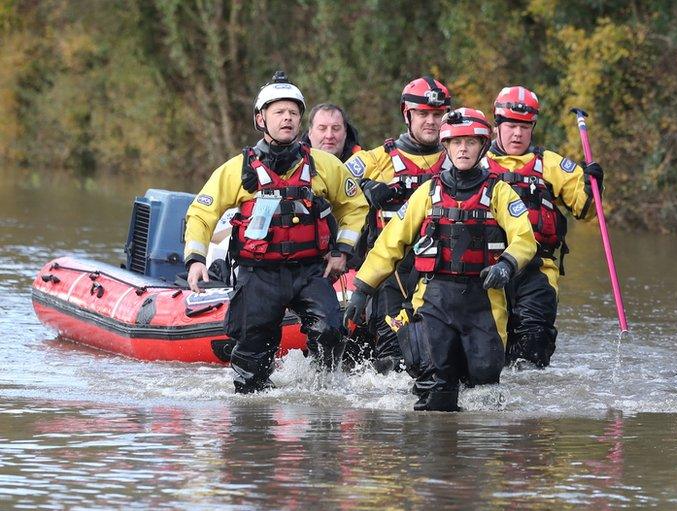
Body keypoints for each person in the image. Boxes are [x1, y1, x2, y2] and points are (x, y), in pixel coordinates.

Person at [183, 71, 369, 394]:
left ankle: (320, 398)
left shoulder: (324, 166)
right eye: (279, 112)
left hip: (310, 271)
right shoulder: (236, 170)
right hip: (258, 274)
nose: (287, 118)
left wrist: (341, 251)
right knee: (252, 360)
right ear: (261, 119)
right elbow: (202, 212)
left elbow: (355, 206)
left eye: (294, 113)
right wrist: (196, 259)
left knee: (330, 330)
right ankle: (252, 427)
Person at [342, 108, 537, 411]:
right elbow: (390, 244)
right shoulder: (427, 192)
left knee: (484, 385)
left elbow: (525, 238)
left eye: (470, 143)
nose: (463, 149)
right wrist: (362, 289)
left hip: (483, 301)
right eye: (456, 143)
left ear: (482, 146)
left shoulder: (500, 192)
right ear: (446, 147)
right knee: (435, 385)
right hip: (433, 299)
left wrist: (506, 264)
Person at [485, 86, 604, 369]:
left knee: (533, 344)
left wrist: (593, 187)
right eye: (511, 126)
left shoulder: (550, 164)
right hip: (487, 267)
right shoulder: (475, 162)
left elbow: (586, 212)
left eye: (525, 127)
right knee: (487, 347)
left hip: (538, 268)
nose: (518, 134)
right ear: (496, 126)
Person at [343, 76, 452, 373]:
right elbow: (328, 183)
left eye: (437, 114)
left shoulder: (460, 159)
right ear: (407, 114)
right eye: (423, 114)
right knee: (396, 358)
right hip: (391, 276)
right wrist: (363, 186)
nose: (431, 121)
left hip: (443, 275)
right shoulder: (376, 159)